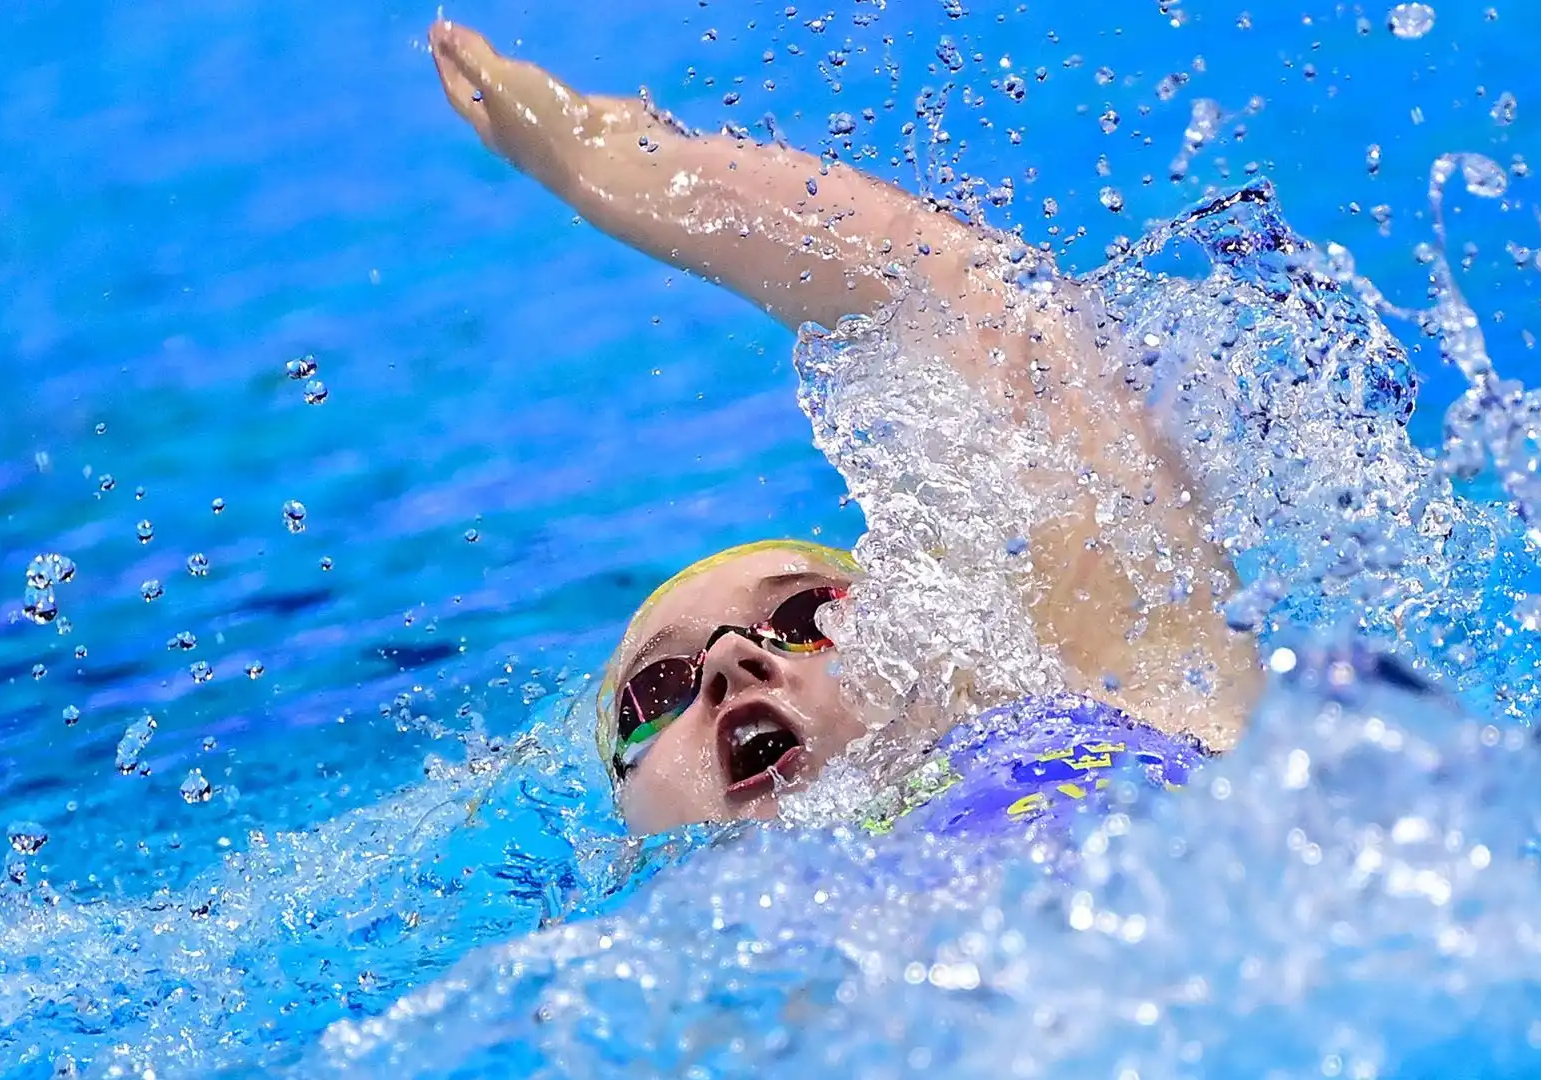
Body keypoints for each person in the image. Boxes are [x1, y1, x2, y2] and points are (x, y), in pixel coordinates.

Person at [428, 21, 1264, 836]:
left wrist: (612, 162)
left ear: (945, 649)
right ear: (624, 830)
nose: (727, 665)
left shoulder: (1145, 702)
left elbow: (989, 324)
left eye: (806, 617)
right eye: (658, 694)